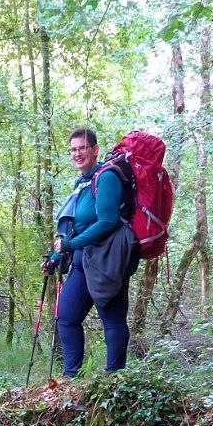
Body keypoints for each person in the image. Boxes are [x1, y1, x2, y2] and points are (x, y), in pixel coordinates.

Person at [44, 127, 133, 379]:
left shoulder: (106, 177)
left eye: (82, 148)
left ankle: (114, 378)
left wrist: (70, 245)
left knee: (112, 318)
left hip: (107, 258)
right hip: (83, 261)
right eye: (73, 149)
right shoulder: (82, 183)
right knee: (66, 318)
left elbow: (108, 222)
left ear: (95, 150)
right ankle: (72, 377)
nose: (77, 153)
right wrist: (54, 258)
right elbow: (76, 228)